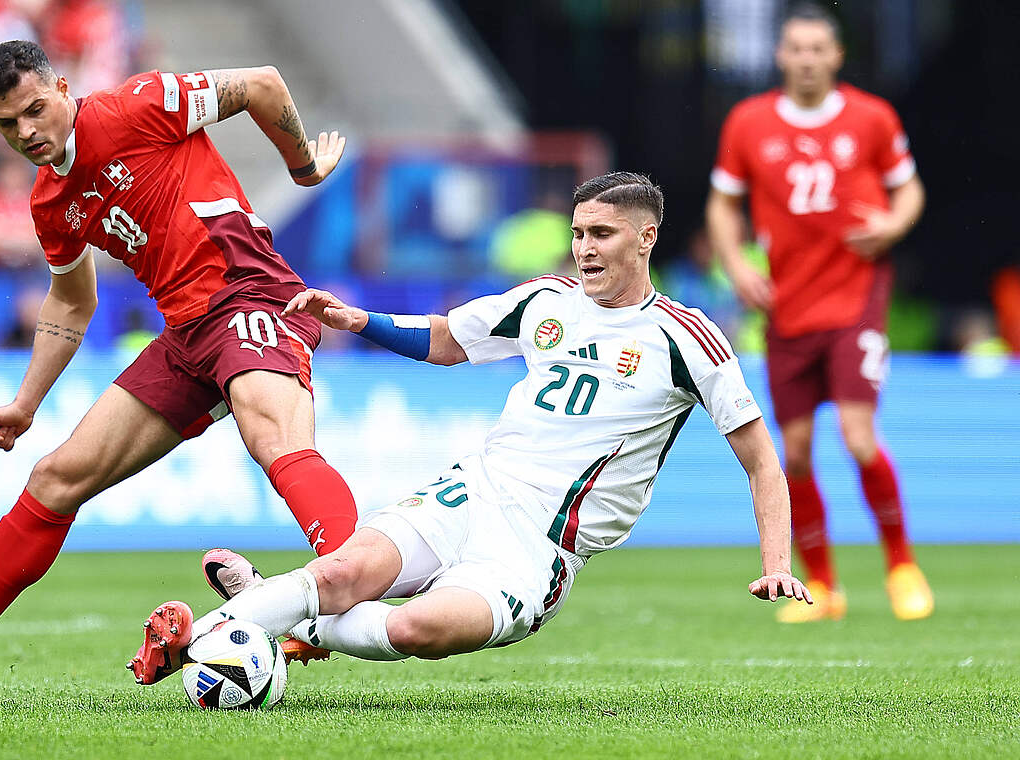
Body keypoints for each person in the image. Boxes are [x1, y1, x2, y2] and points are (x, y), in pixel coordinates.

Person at [127, 172, 811, 684]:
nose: (584, 249)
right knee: (344, 572)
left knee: (418, 626)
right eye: (578, 233)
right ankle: (198, 640)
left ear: (646, 237)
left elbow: (760, 461)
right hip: (475, 491)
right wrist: (360, 321)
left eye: (601, 235)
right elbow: (451, 338)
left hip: (538, 549)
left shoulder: (684, 338)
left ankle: (276, 609)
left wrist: (775, 566)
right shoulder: (547, 300)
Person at [0, 40, 360, 697]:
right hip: (186, 334)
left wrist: (304, 166)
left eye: (34, 110)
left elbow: (262, 81)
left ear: (61, 87)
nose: (26, 132)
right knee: (56, 478)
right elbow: (72, 299)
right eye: (6, 124)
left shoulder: (133, 107)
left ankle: (346, 588)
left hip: (250, 297)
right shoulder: (51, 202)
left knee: (273, 438)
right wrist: (27, 403)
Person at [706, 3, 931, 623]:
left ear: (836, 55)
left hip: (855, 298)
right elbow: (724, 205)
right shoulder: (748, 122)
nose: (806, 59)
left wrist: (893, 222)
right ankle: (824, 589)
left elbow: (909, 187)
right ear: (781, 56)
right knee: (796, 453)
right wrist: (738, 265)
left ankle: (901, 566)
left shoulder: (871, 117)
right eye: (795, 49)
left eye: (817, 49)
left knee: (859, 437)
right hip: (787, 306)